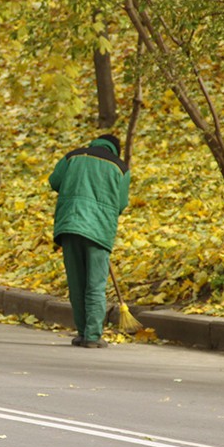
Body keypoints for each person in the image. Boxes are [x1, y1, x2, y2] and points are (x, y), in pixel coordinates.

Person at [49, 133, 130, 348]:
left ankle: (82, 332)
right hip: (99, 231)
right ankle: (93, 336)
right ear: (115, 150)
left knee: (77, 283)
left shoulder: (73, 156)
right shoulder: (120, 167)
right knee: (95, 284)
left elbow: (54, 181)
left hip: (70, 225)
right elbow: (121, 203)